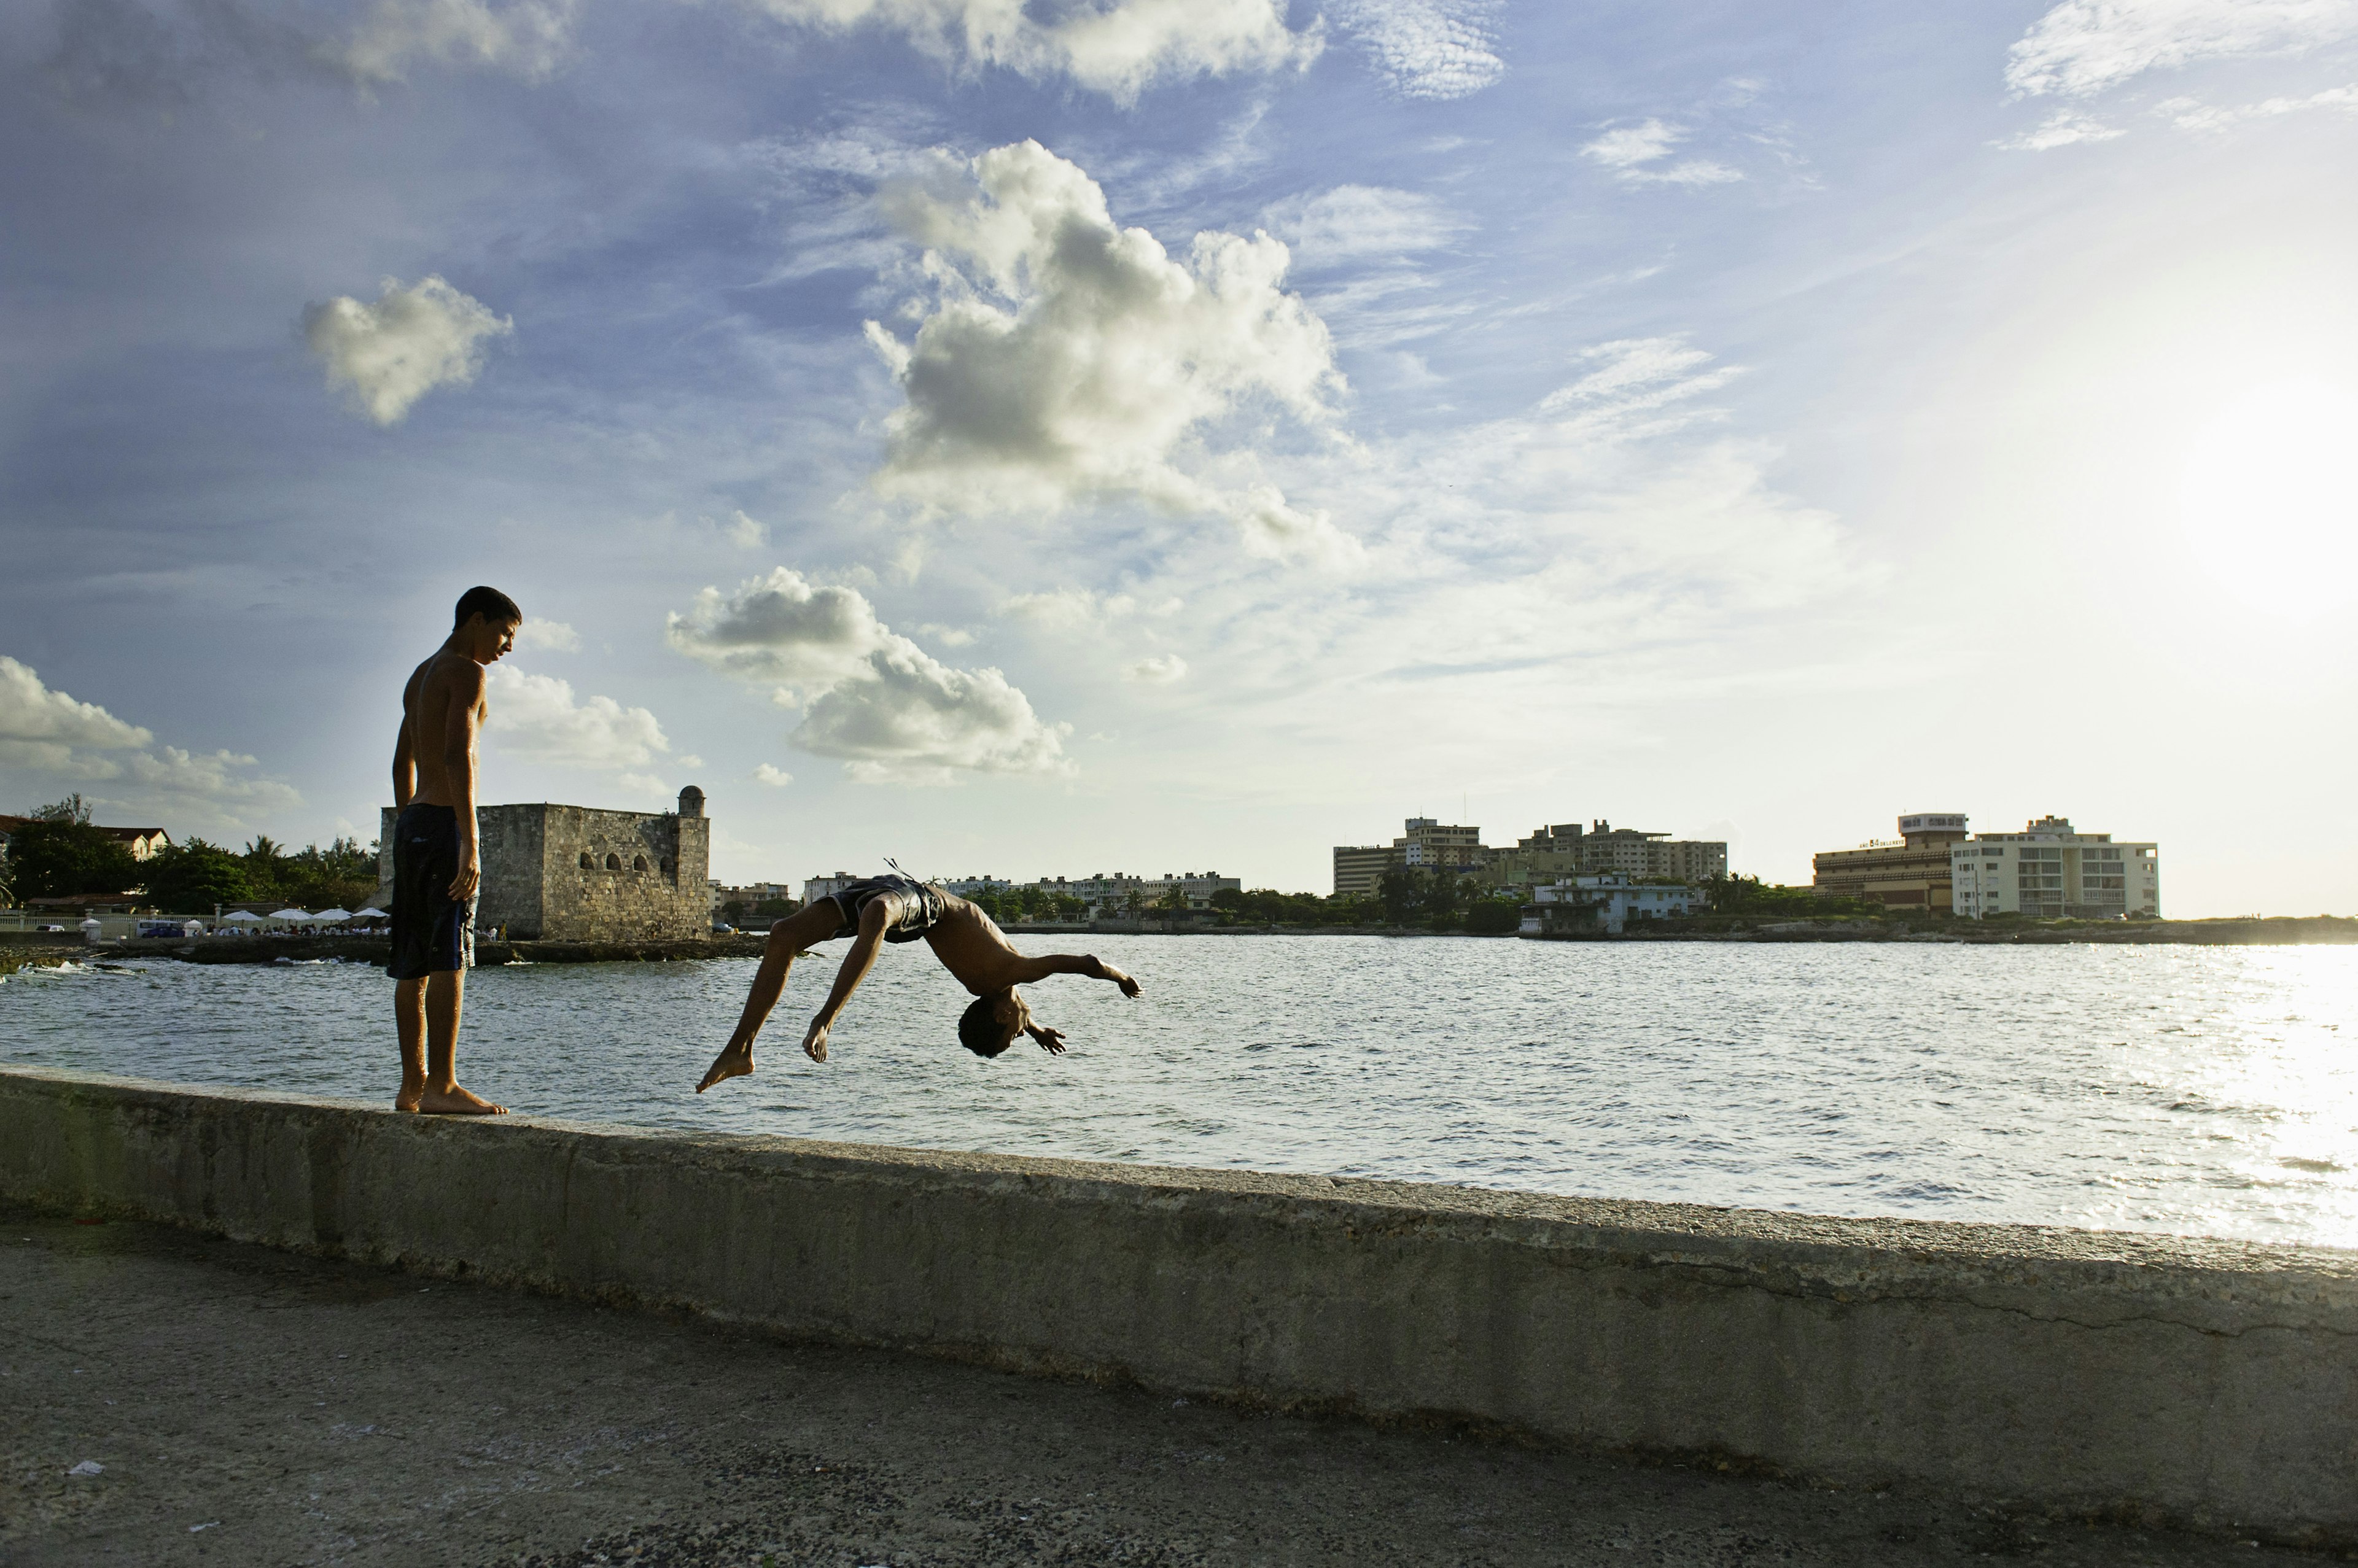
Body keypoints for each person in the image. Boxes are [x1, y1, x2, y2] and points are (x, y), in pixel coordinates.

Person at [696, 872, 1142, 1092]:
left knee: (876, 916)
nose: (1024, 1029)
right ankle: (744, 1049)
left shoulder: (1002, 984)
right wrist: (1122, 977)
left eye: (1017, 1033)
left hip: (909, 902)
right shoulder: (1006, 980)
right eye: (1018, 1033)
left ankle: (771, 1038)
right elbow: (1086, 961)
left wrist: (1034, 1027)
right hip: (917, 899)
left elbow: (1011, 1006)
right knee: (783, 936)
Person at [387, 586, 521, 1115]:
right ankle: (442, 1085)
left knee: (411, 965)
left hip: (415, 821)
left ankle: (411, 1087)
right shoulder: (467, 672)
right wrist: (470, 840)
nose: (507, 647)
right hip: (444, 824)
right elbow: (457, 752)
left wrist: (408, 824)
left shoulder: (419, 676)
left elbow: (403, 764)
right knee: (448, 961)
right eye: (505, 634)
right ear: (477, 619)